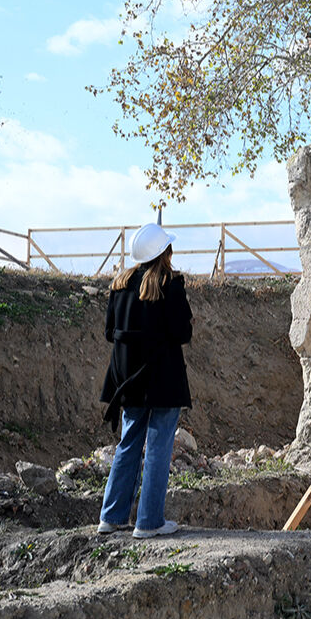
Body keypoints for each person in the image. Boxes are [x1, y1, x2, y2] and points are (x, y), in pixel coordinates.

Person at [97, 222, 193, 539]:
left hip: (127, 379)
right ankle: (149, 522)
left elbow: (110, 332)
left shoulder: (120, 285)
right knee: (158, 447)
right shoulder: (170, 285)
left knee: (128, 444)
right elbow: (183, 333)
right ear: (165, 251)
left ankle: (111, 516)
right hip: (162, 378)